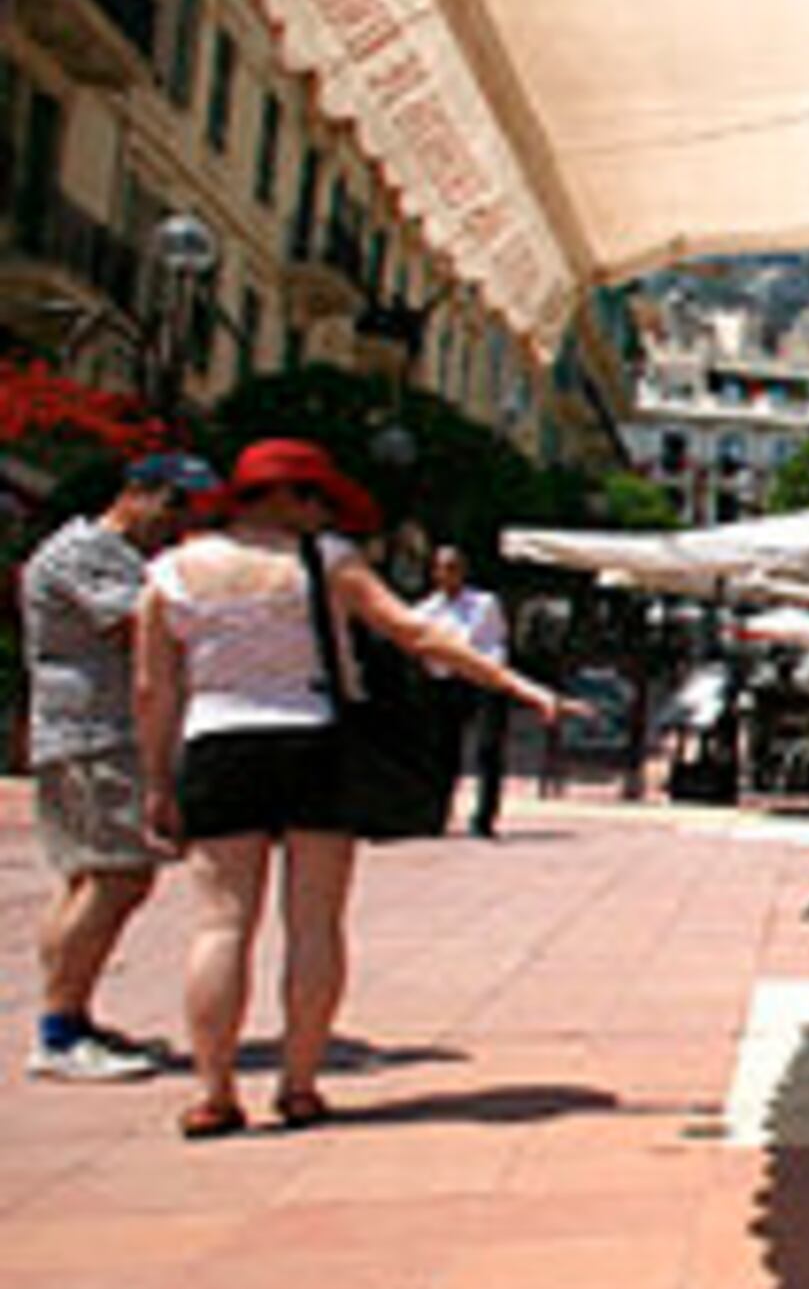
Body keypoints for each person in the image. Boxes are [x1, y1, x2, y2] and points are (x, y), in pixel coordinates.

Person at [135, 439, 566, 1139]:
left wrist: (158, 780)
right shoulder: (327, 561)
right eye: (314, 496)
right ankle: (299, 1085)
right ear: (285, 496)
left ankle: (213, 1093)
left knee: (220, 923)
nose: (321, 511)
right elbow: (415, 633)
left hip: (216, 739)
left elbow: (153, 688)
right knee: (315, 922)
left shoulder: (170, 572)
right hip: (313, 737)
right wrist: (514, 683)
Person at [19, 451, 220, 1080]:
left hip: (95, 731)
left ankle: (67, 1016)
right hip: (96, 734)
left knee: (87, 878)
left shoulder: (122, 558)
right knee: (117, 875)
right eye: (175, 504)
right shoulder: (87, 555)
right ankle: (59, 1030)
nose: (180, 520)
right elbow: (146, 625)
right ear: (137, 493)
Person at [414, 545, 512, 836]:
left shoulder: (484, 604)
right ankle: (437, 812)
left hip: (482, 680)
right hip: (444, 682)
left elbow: (495, 642)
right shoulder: (426, 610)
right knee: (442, 751)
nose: (448, 574)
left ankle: (484, 817)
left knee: (487, 748)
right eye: (442, 568)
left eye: (454, 567)